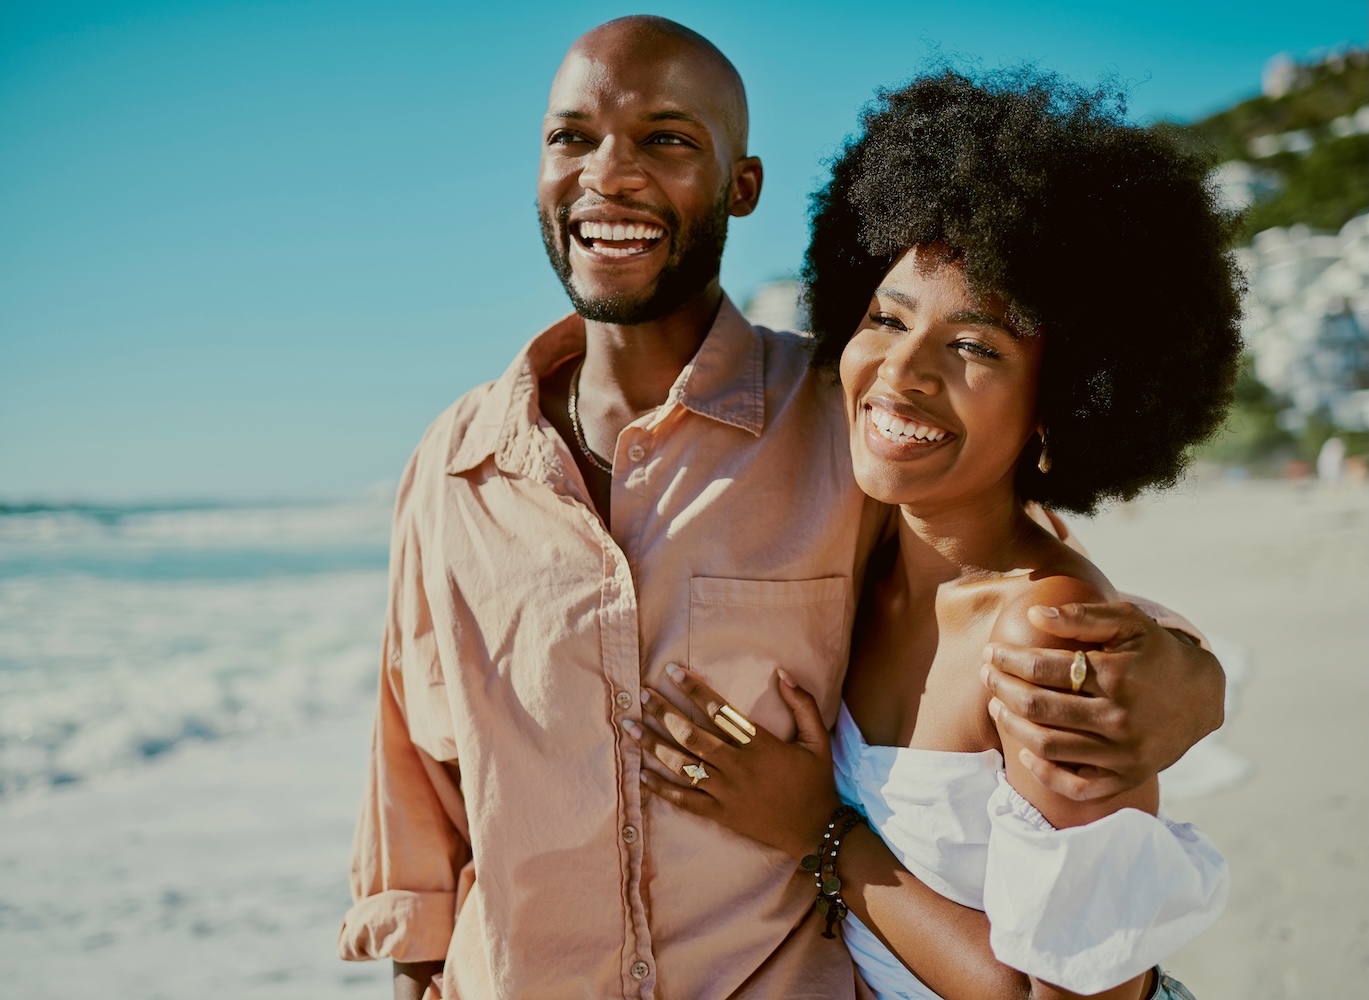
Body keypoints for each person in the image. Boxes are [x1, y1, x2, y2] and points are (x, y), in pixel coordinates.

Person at [338, 18, 1229, 1000]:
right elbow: (414, 779)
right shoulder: (452, 467)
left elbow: (1040, 597)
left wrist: (1190, 679)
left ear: (741, 184)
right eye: (572, 136)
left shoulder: (828, 424)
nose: (611, 174)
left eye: (668, 138)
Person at [630, 69, 1242, 999]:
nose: (902, 372)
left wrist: (819, 836)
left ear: (1061, 403)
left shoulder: (1048, 637)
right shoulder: (862, 550)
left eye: (975, 345)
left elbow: (1079, 998)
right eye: (885, 318)